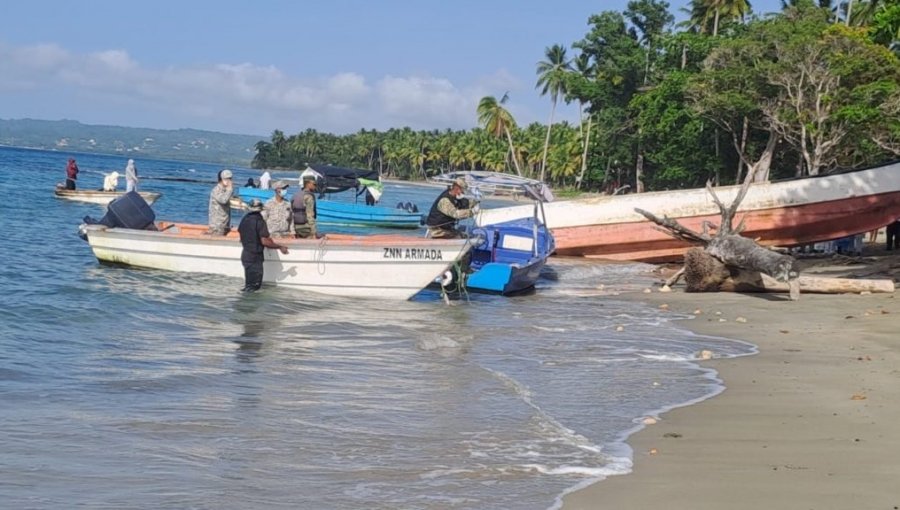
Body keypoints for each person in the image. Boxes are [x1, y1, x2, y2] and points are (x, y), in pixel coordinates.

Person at [238, 198, 289, 292]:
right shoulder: (259, 221)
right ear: (261, 209)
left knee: (248, 285)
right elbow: (265, 241)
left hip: (246, 255)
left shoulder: (244, 219)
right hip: (255, 257)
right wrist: (280, 246)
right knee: (254, 287)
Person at [208, 169, 234, 235]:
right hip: (217, 225)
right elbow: (223, 200)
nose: (229, 181)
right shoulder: (216, 190)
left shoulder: (225, 190)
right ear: (221, 179)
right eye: (227, 179)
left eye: (230, 178)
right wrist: (230, 190)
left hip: (224, 224)